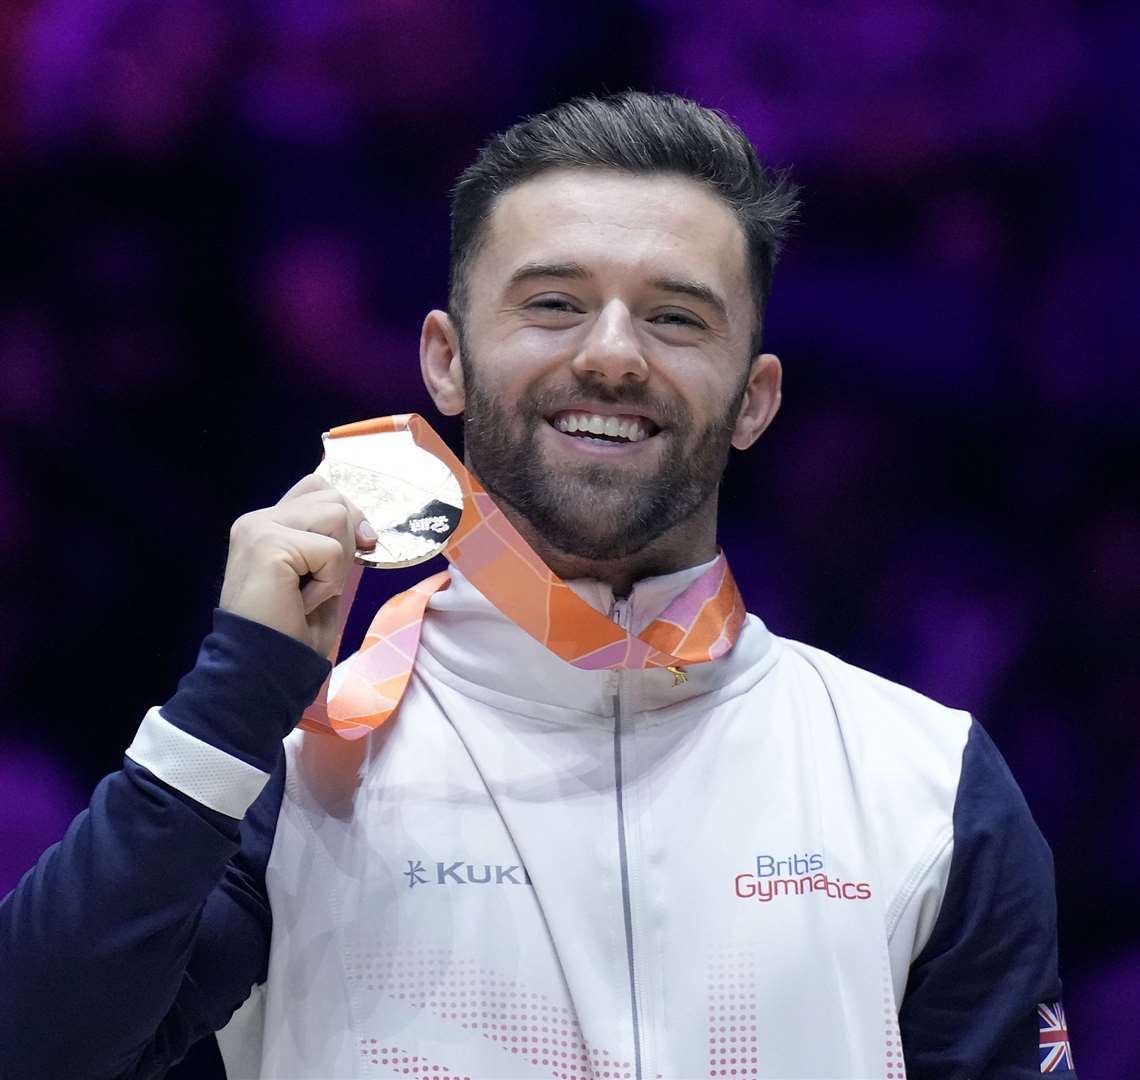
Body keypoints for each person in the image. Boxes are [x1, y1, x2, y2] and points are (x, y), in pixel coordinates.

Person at [0, 92, 1074, 1080]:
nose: (612, 356)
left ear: (754, 399)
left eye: (677, 317)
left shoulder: (926, 783)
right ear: (445, 363)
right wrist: (233, 692)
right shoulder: (292, 774)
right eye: (554, 304)